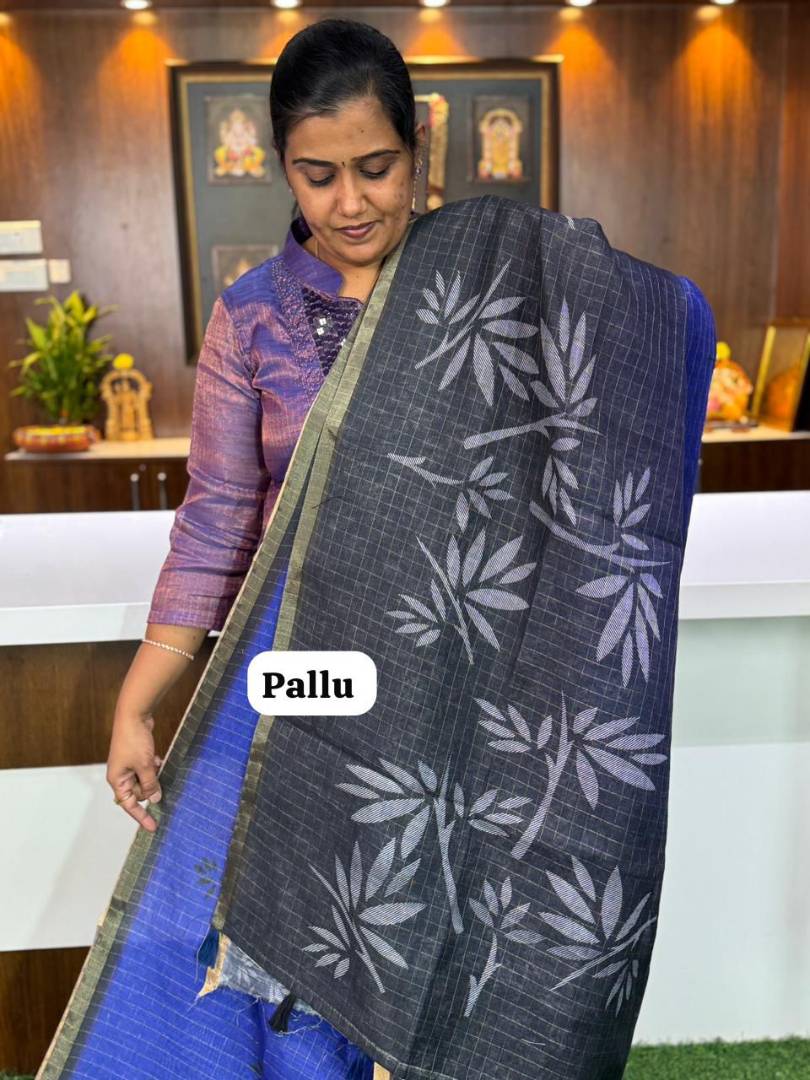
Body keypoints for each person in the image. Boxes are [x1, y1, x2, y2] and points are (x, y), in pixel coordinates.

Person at [39, 17, 715, 1080]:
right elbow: (219, 520)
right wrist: (139, 701)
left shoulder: (499, 287)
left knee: (456, 952)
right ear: (282, 166)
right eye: (319, 176)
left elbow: (616, 370)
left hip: (462, 685)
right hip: (307, 684)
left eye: (377, 168)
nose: (351, 202)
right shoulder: (253, 319)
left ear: (420, 150)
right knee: (299, 963)